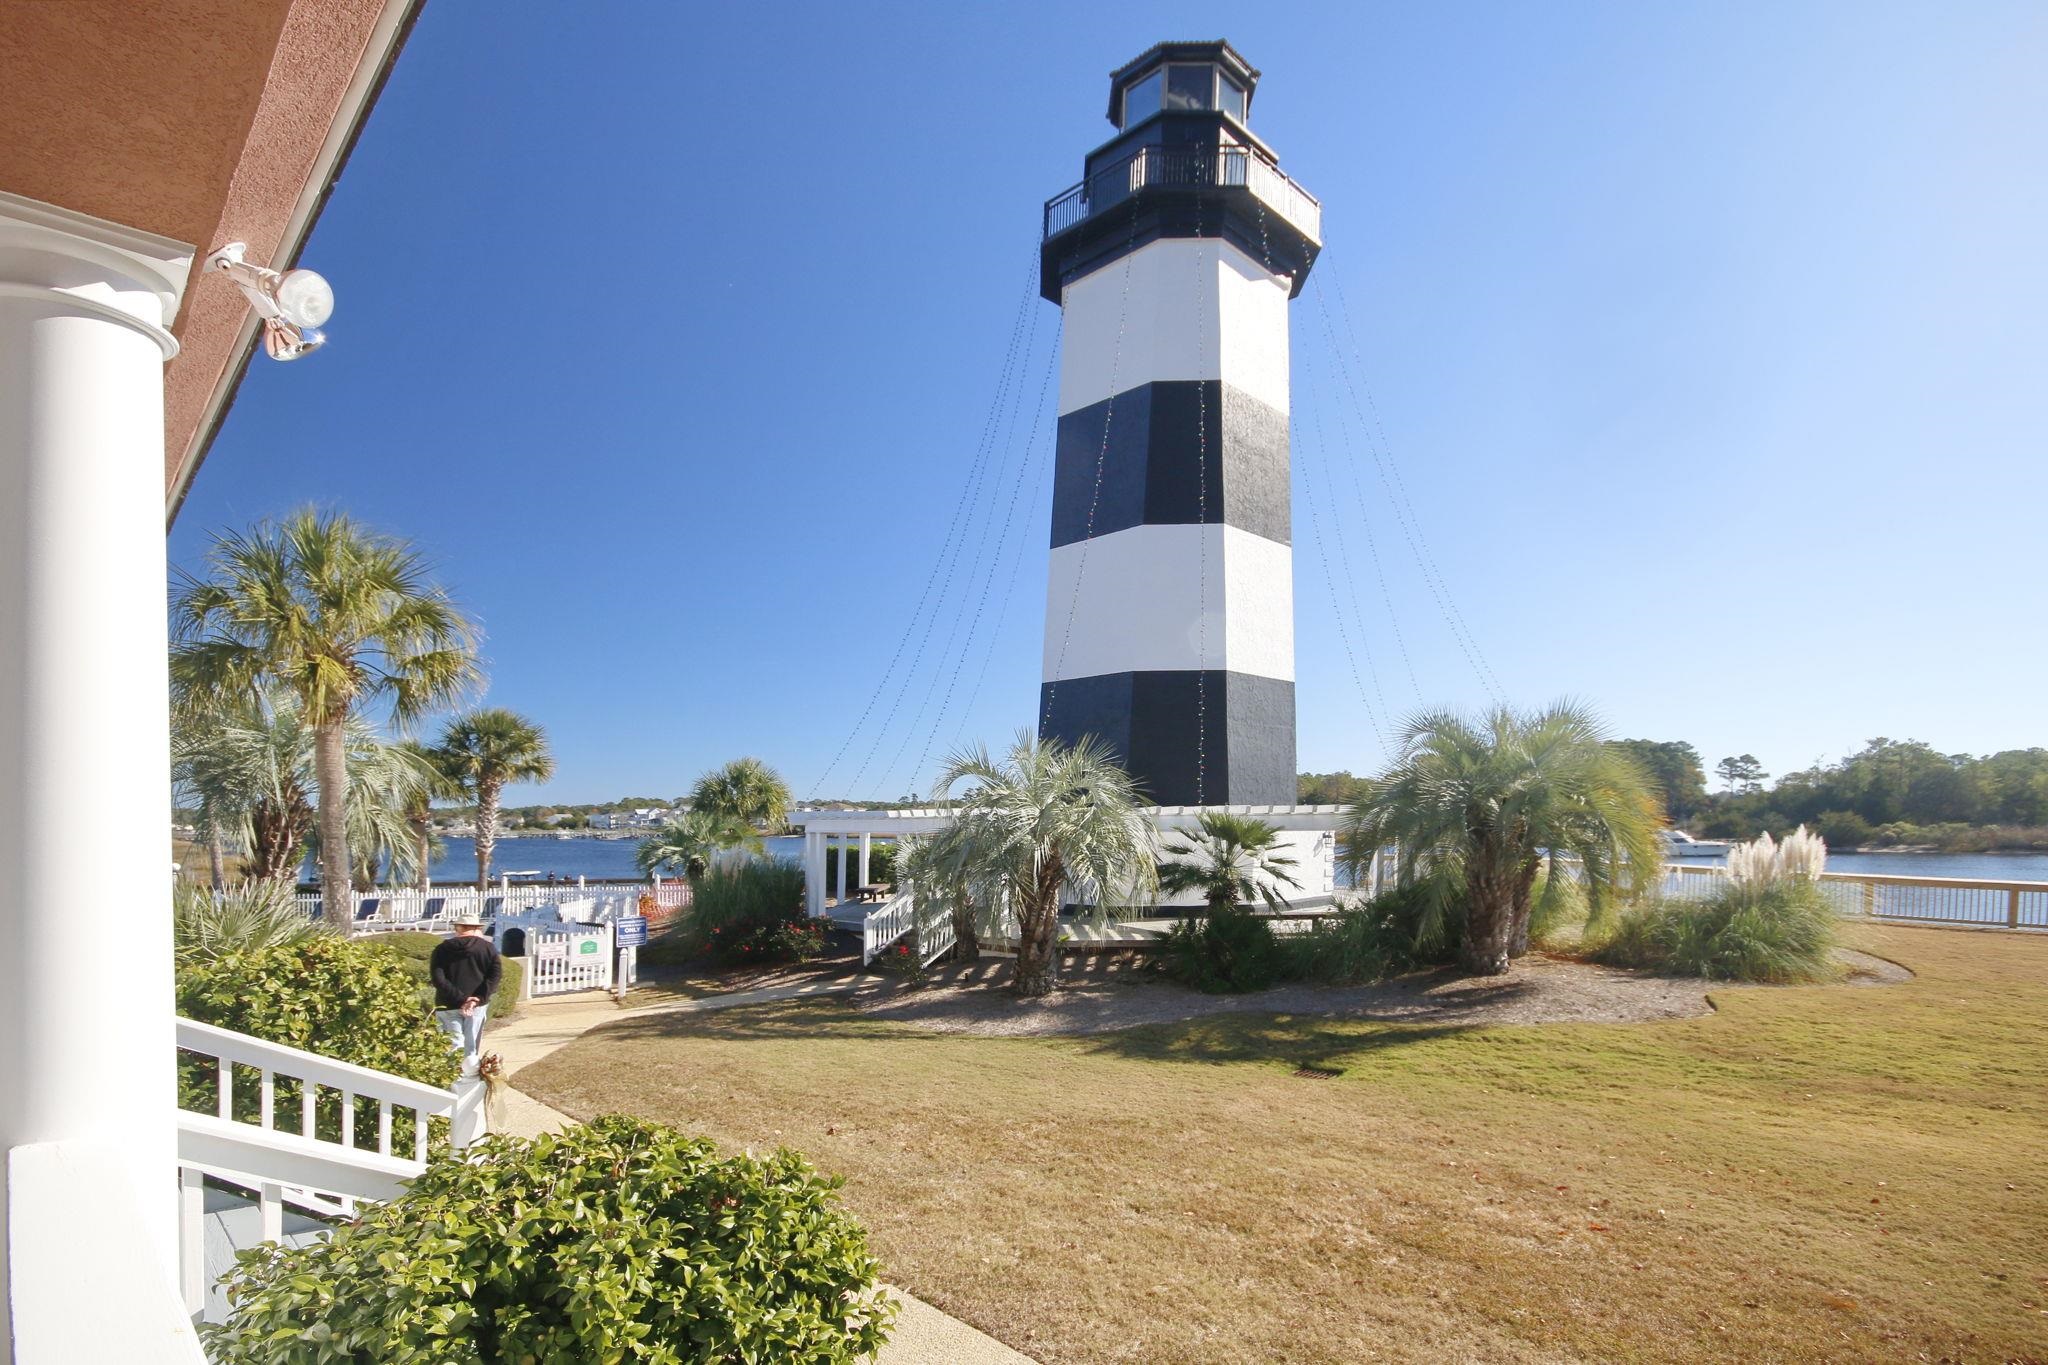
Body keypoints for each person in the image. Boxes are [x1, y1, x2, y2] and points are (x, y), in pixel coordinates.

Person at [430, 909, 501, 1075]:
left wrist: (461, 998)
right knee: (471, 1048)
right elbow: (495, 976)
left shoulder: (442, 949)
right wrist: (476, 999)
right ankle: (469, 1078)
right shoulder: (488, 948)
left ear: (459, 928)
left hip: (447, 1005)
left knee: (452, 1045)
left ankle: (451, 1077)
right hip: (477, 1006)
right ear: (477, 928)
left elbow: (438, 979)